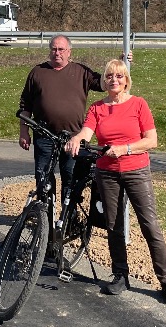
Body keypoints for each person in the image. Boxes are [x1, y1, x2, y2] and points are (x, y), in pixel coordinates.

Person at [66, 58, 166, 304]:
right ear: (104, 82)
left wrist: (125, 149)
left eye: (119, 76)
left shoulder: (138, 104)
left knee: (149, 224)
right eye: (109, 77)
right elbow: (87, 131)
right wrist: (78, 140)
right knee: (114, 225)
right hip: (106, 172)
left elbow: (151, 140)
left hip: (136, 170)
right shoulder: (97, 108)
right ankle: (120, 274)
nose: (114, 80)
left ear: (126, 81)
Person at [18, 35, 104, 212]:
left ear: (69, 52)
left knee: (71, 178)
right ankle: (46, 218)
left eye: (61, 49)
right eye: (54, 49)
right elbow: (25, 104)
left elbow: (105, 84)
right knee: (43, 178)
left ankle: (68, 218)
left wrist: (122, 63)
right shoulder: (37, 72)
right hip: (44, 135)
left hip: (73, 137)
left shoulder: (81, 72)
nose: (57, 53)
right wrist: (23, 131)